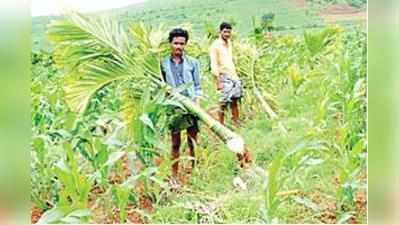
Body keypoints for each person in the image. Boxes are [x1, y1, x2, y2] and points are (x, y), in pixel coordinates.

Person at [160, 28, 202, 179]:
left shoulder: (193, 63)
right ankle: (174, 175)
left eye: (182, 43)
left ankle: (195, 169)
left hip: (191, 105)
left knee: (193, 140)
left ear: (185, 44)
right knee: (175, 143)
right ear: (170, 43)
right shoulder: (162, 64)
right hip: (174, 107)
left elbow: (197, 86)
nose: (178, 46)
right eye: (176, 43)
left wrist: (197, 102)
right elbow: (160, 85)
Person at [210, 22, 242, 127]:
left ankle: (236, 123)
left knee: (234, 100)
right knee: (223, 102)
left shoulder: (229, 43)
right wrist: (218, 81)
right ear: (220, 32)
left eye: (229, 32)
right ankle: (221, 126)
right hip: (223, 76)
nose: (227, 34)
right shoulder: (215, 46)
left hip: (233, 75)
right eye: (225, 32)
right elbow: (214, 64)